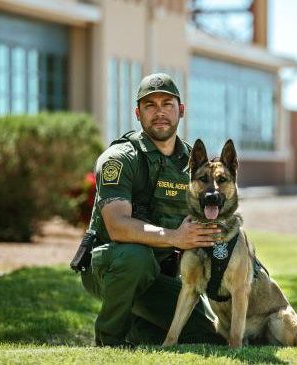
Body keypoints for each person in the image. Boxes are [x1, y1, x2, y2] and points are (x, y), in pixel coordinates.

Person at [81, 72, 224, 347]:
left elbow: (209, 224)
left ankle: (140, 328)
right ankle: (109, 342)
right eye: (150, 105)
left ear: (180, 110)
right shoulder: (120, 159)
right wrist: (174, 237)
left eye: (167, 104)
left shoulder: (193, 164)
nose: (159, 112)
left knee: (209, 333)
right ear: (138, 113)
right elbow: (117, 225)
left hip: (159, 274)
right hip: (111, 266)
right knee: (136, 258)